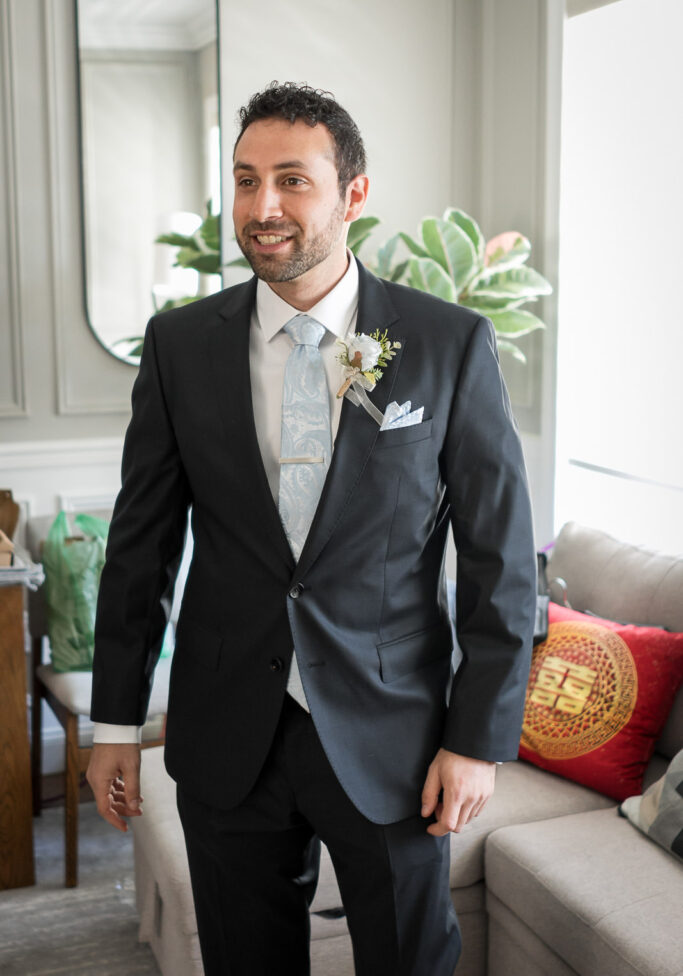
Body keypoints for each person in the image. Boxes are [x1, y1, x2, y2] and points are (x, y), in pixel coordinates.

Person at [87, 81, 537, 976]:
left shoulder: (448, 345)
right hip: (225, 734)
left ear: (352, 194)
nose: (263, 208)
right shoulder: (178, 347)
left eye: (293, 180)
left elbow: (501, 563)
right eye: (247, 179)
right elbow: (141, 550)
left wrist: (477, 739)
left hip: (395, 736)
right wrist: (112, 725)